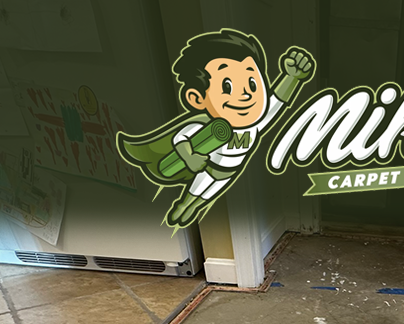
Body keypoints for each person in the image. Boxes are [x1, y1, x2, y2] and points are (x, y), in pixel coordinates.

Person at [118, 29, 315, 227]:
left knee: (208, 194)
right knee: (196, 189)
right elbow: (180, 139)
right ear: (196, 98)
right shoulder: (205, 127)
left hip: (230, 172)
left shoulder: (255, 124)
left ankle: (194, 207)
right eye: (228, 86)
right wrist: (189, 157)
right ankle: (184, 205)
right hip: (210, 167)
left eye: (252, 84)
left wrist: (292, 78)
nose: (246, 95)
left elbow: (277, 101)